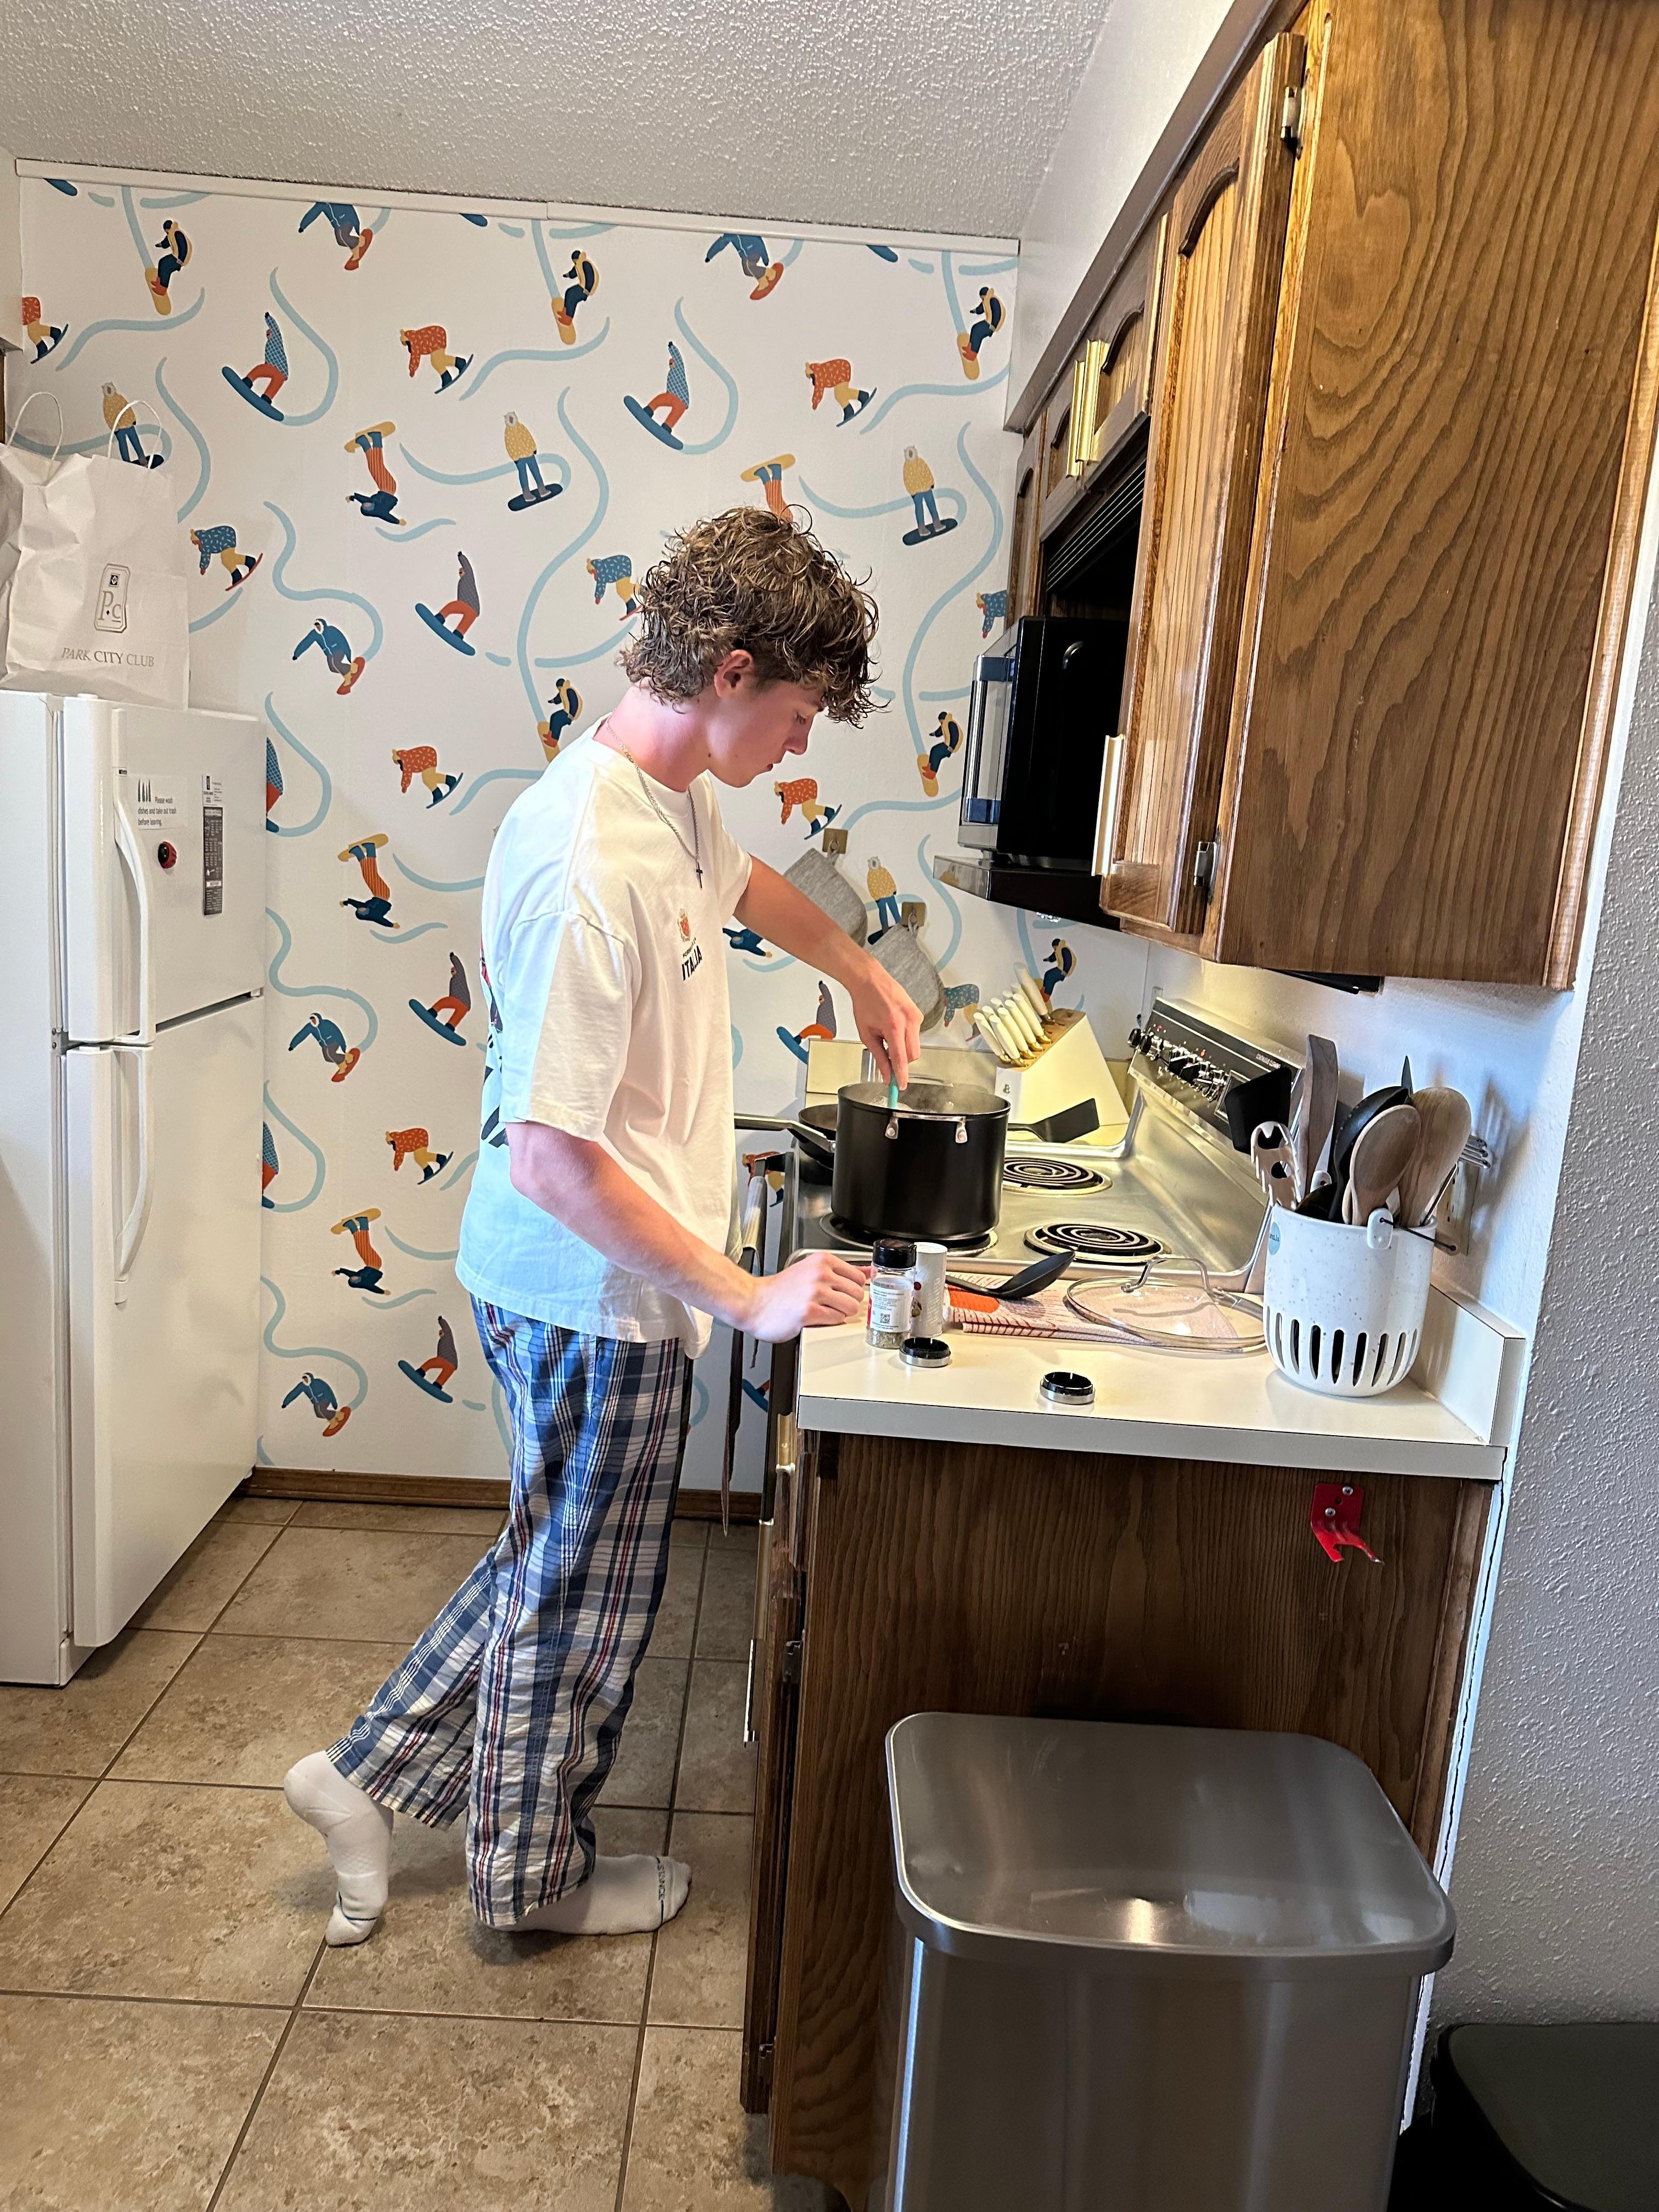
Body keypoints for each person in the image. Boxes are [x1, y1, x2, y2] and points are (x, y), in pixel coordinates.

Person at [284, 504, 916, 1950]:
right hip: (586, 1285)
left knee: (555, 1557)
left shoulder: (667, 798)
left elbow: (746, 884)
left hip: (595, 1281)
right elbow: (553, 1161)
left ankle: (360, 1779)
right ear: (732, 672)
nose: (801, 747)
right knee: (581, 1600)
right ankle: (533, 1883)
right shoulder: (590, 862)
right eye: (800, 715)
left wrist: (861, 970)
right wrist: (746, 1295)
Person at [502, 411, 545, 495]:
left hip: (529, 453)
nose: (511, 420)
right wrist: (515, 457)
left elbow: (528, 437)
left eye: (512, 418)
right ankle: (526, 493)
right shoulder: (508, 432)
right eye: (510, 419)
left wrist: (534, 448)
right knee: (523, 475)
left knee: (536, 471)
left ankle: (542, 488)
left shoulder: (521, 427)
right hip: (519, 458)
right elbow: (509, 445)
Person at [902, 446, 940, 533]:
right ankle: (922, 528)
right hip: (916, 492)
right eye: (909, 453)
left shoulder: (920, 462)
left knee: (932, 505)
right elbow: (907, 480)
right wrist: (912, 492)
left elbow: (927, 471)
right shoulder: (907, 466)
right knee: (919, 509)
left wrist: (931, 482)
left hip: (926, 488)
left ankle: (937, 523)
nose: (911, 455)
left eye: (912, 452)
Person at [866, 854, 901, 934]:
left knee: (894, 909)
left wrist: (894, 889)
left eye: (875, 862)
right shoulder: (870, 874)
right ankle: (885, 929)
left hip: (889, 894)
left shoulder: (883, 871)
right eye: (873, 863)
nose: (874, 864)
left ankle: (899, 924)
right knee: (883, 913)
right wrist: (876, 897)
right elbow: (871, 887)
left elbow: (890, 879)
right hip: (880, 898)